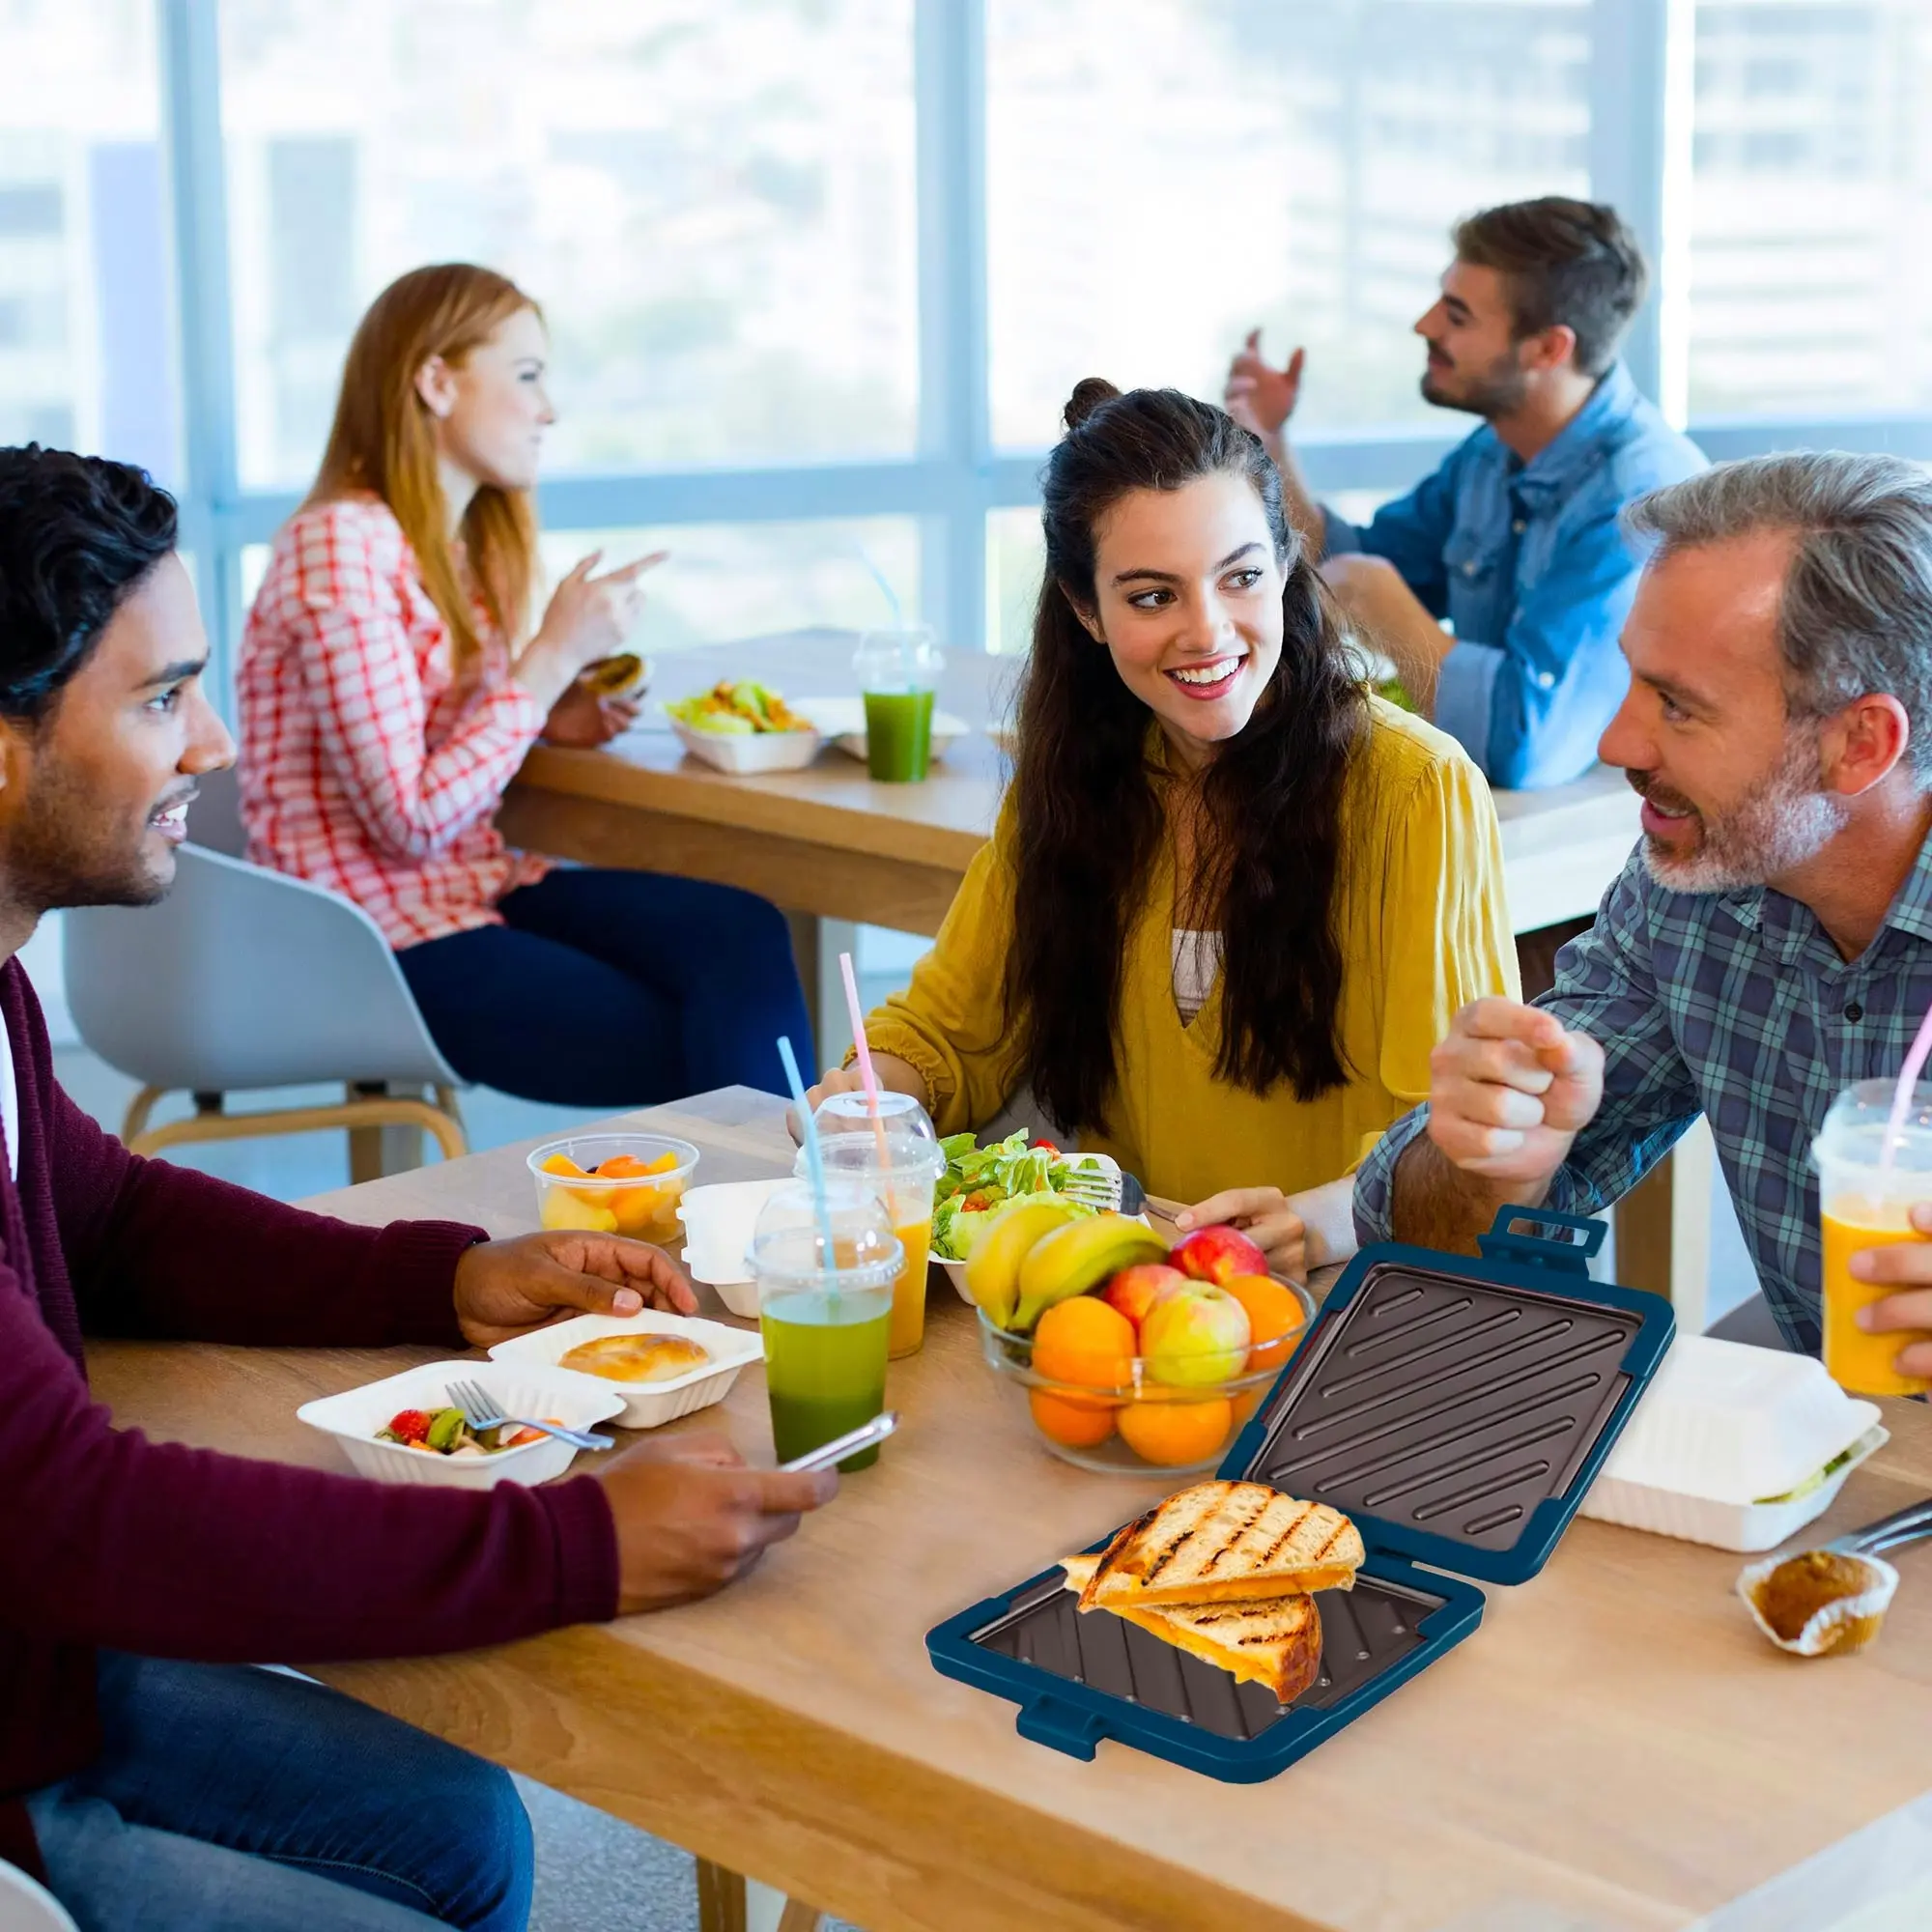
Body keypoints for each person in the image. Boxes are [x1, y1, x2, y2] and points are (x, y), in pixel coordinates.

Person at [0, 445, 835, 1928]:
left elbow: (108, 1213)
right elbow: (80, 1518)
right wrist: (576, 1543)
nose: (210, 745)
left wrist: (444, 1274)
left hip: (38, 1668)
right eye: (157, 697)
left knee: (464, 1833)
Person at [806, 382, 1519, 1281]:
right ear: (1084, 610)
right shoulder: (1076, 781)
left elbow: (1456, 1140)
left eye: (1242, 576)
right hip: (1128, 1300)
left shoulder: (1419, 791)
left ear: (1289, 564)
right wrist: (873, 1101)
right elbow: (951, 1031)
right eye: (1152, 597)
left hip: (1351, 1303)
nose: (1209, 631)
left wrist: (1322, 1221)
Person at [1353, 451, 1932, 1370]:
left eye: (1679, 706)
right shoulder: (1694, 888)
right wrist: (1487, 1158)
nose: (1617, 739)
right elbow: (1420, 1242)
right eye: (1633, 680)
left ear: (1860, 744)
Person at [238, 263, 810, 1108]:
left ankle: (766, 1216)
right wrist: (545, 660)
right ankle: (772, 1222)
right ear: (435, 380)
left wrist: (548, 713)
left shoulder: (454, 547)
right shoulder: (339, 546)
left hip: (473, 888)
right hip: (375, 938)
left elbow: (420, 735)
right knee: (708, 1035)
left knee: (745, 935)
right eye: (529, 375)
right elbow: (409, 820)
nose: (549, 409)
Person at [1224, 196, 1706, 796]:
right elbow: (1332, 561)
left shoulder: (1639, 497)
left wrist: (1382, 600)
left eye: (1457, 315)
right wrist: (1268, 440)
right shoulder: (1492, 452)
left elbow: (1522, 746)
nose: (1425, 326)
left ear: (1548, 349)